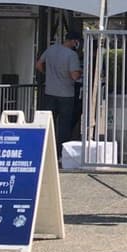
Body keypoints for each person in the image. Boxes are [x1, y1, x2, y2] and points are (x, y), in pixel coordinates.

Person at [35, 29, 82, 164]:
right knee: (64, 126)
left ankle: (44, 152)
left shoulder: (51, 49)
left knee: (48, 123)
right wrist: (80, 74)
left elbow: (38, 65)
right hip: (66, 94)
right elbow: (74, 75)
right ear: (74, 42)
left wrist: (49, 75)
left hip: (50, 91)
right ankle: (60, 154)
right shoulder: (72, 55)